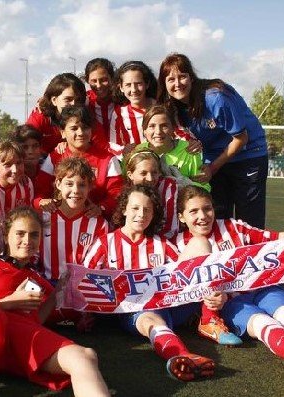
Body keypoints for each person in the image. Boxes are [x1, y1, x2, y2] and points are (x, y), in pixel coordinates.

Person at [174, 185, 284, 376]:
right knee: (263, 323)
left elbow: (277, 238)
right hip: (232, 302)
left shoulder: (233, 227)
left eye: (207, 208)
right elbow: (178, 286)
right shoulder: (178, 244)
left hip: (262, 288)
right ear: (181, 217)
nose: (203, 216)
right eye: (194, 211)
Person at [0, 207, 110, 396]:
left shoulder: (38, 279)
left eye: (34, 235)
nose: (27, 241)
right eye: (20, 233)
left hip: (22, 340)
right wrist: (9, 302)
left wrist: (59, 295)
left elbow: (38, 320)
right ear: (6, 236)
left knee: (85, 356)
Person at [83, 184, 215, 381]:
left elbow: (183, 274)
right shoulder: (105, 243)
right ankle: (179, 355)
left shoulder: (161, 245)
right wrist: (84, 314)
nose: (141, 214)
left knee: (200, 243)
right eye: (135, 208)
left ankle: (210, 317)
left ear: (153, 214)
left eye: (147, 210)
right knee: (149, 317)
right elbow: (84, 280)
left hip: (170, 304)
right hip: (134, 311)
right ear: (124, 209)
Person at [158, 53, 269, 228]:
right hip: (215, 158)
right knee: (217, 218)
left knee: (249, 222)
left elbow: (241, 138)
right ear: (164, 84)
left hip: (248, 156)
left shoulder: (215, 98)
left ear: (192, 78)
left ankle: (252, 253)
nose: (177, 83)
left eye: (182, 77)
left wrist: (212, 168)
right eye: (171, 79)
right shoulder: (173, 107)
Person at [33, 105, 124, 220]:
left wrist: (101, 208)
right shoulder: (55, 157)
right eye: (74, 128)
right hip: (60, 223)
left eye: (85, 127)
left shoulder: (108, 159)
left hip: (96, 223)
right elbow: (39, 191)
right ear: (63, 133)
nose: (80, 132)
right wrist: (42, 201)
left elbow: (117, 193)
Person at [40, 157, 109, 282]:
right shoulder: (43, 217)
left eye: (82, 185)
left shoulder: (99, 224)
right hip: (45, 283)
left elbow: (94, 264)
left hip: (80, 285)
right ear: (58, 184)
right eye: (69, 184)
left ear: (90, 187)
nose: (76, 190)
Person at [133, 104, 209, 190]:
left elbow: (204, 188)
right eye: (152, 126)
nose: (158, 132)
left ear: (173, 129)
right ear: (144, 131)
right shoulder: (137, 151)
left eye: (164, 126)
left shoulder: (190, 150)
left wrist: (185, 186)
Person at [123, 150, 179, 237]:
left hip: (158, 241)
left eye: (154, 173)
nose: (150, 178)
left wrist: (153, 245)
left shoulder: (167, 186)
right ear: (130, 175)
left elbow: (170, 227)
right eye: (143, 173)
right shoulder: (126, 190)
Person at [109, 61, 158, 148]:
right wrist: (124, 150)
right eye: (128, 85)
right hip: (134, 160)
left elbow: (178, 132)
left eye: (138, 84)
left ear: (147, 84)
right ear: (121, 87)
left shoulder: (161, 108)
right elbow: (113, 145)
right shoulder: (118, 114)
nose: (134, 90)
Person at [84, 58, 116, 139]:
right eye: (94, 81)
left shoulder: (123, 99)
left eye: (104, 80)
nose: (98, 85)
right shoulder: (84, 101)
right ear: (87, 81)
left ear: (112, 78)